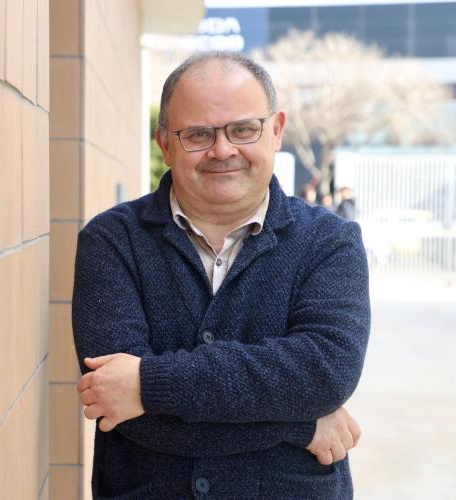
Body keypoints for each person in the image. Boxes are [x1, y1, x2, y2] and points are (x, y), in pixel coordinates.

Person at [72, 51, 370, 499]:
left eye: (243, 129)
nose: (223, 150)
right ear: (165, 144)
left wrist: (149, 384)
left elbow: (326, 373)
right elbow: (119, 405)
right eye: (198, 134)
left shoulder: (330, 241)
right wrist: (301, 424)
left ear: (276, 130)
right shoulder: (112, 241)